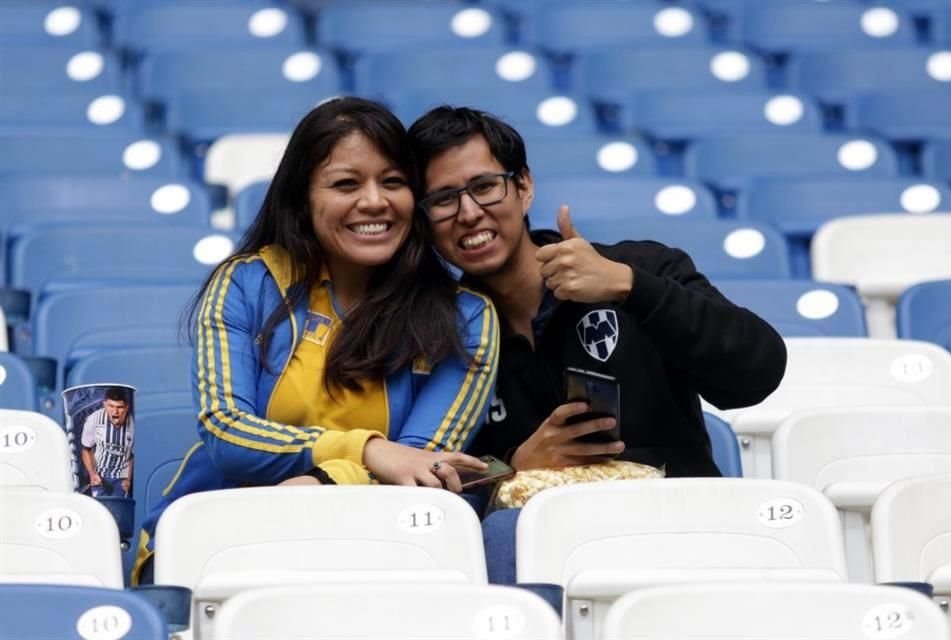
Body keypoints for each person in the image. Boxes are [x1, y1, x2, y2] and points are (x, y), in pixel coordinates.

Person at [408, 106, 788, 583]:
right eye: (443, 199)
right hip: (546, 563)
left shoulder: (640, 267)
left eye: (485, 187)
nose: (468, 213)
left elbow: (758, 373)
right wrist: (515, 465)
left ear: (524, 186)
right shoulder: (437, 335)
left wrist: (631, 288)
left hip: (689, 543)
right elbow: (435, 476)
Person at [132, 98, 499, 584]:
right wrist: (367, 450)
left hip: (375, 553)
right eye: (346, 184)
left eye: (393, 182)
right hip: (216, 543)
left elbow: (419, 471)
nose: (374, 201)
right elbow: (226, 433)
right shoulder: (248, 284)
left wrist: (320, 481)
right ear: (303, 197)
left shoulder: (466, 318)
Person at [80, 386, 134, 498]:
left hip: (121, 478)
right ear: (104, 404)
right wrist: (92, 474)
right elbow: (86, 449)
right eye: (111, 406)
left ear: (127, 407)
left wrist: (128, 479)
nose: (115, 411)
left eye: (120, 407)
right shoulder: (94, 419)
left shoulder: (134, 425)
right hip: (100, 477)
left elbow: (131, 456)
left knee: (117, 512)